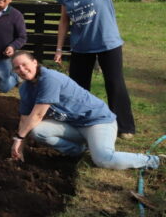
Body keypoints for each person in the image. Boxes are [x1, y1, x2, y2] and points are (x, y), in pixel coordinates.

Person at [10, 51, 161, 169]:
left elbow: (37, 114)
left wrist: (19, 138)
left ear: (35, 62)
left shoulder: (49, 79)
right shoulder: (25, 89)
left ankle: (154, 161)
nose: (22, 69)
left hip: (97, 122)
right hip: (74, 126)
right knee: (38, 131)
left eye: (24, 64)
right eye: (17, 67)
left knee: (103, 160)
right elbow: (25, 118)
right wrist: (19, 148)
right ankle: (78, 151)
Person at [54, 0, 136, 139]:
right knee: (78, 88)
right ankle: (83, 122)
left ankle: (125, 127)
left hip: (107, 43)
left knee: (115, 84)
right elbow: (64, 21)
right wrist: (58, 49)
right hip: (81, 46)